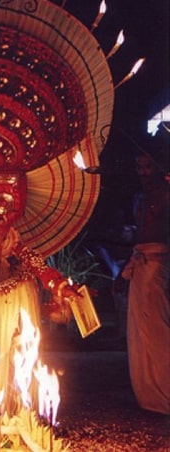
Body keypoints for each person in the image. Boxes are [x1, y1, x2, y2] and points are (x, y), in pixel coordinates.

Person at [124, 153, 170, 415]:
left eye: (147, 166)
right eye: (138, 166)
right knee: (141, 332)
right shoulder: (141, 196)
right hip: (142, 261)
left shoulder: (165, 193)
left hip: (158, 264)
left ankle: (164, 394)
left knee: (158, 331)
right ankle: (149, 395)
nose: (142, 172)